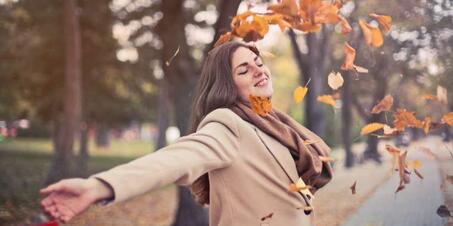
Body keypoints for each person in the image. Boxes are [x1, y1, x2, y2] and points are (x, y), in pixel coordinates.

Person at [40, 41, 333, 226]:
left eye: (258, 63)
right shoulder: (227, 123)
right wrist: (99, 186)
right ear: (227, 87)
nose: (259, 70)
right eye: (244, 70)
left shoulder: (274, 125)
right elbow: (176, 159)